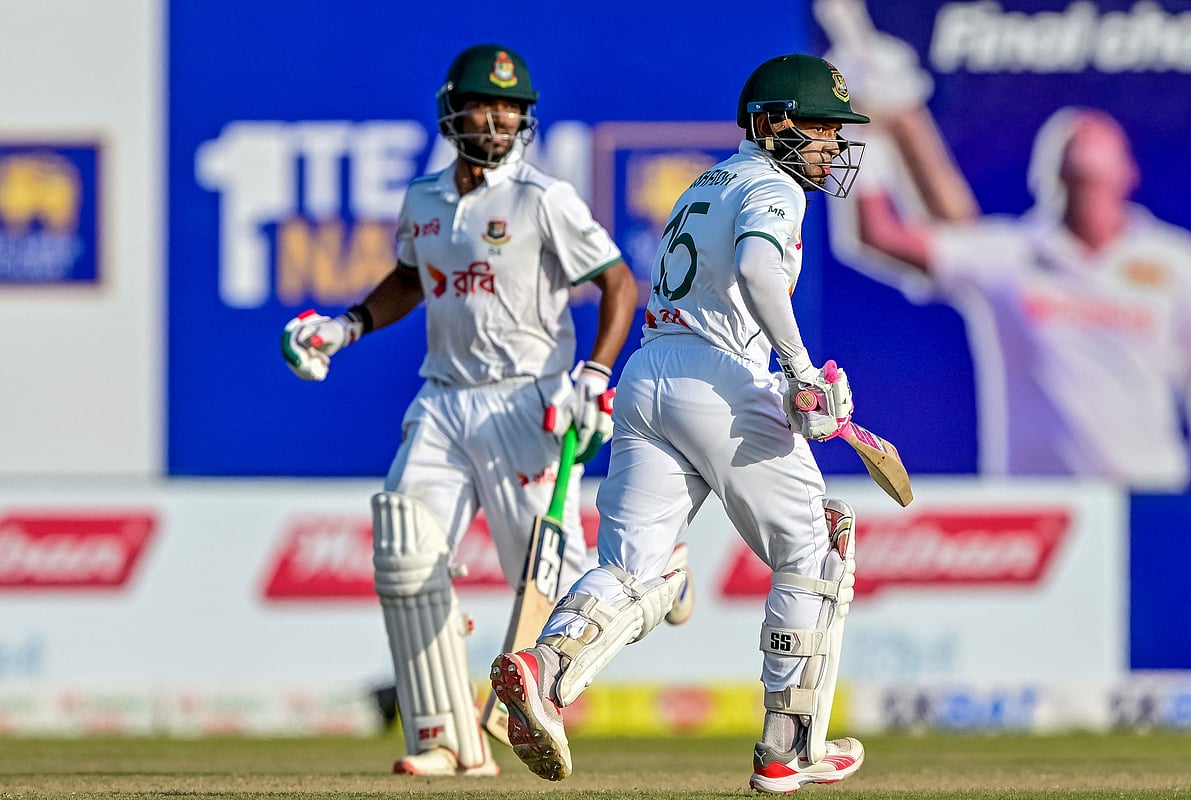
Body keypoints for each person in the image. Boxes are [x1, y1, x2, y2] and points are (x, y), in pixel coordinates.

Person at [279, 43, 689, 777]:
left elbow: (622, 284)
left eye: (512, 109)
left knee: (557, 592)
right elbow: (411, 279)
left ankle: (660, 579)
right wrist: (345, 327)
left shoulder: (542, 199)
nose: (498, 119)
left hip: (527, 402)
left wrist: (594, 375)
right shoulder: (425, 198)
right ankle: (446, 740)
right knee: (405, 552)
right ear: (451, 111)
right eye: (484, 104)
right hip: (442, 400)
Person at [489, 53, 870, 790]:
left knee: (633, 569)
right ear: (772, 124)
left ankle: (544, 666)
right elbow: (759, 273)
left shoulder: (707, 181)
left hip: (648, 375)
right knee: (817, 546)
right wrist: (797, 372)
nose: (830, 145)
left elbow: (718, 294)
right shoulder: (772, 184)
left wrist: (785, 377)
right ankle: (790, 748)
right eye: (820, 126)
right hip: (718, 383)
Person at [825, 32, 1191, 490]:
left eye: (1098, 147)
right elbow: (880, 235)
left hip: (1152, 499)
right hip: (1038, 508)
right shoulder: (1008, 256)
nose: (1079, 144)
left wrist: (896, 118)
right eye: (1068, 152)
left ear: (1130, 172)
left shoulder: (1175, 263)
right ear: (1044, 176)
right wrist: (857, 125)